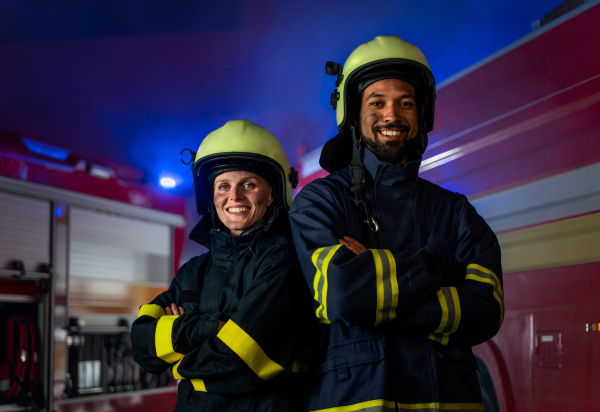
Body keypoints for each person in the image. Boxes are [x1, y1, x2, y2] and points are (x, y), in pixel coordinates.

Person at [289, 36, 504, 411]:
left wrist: (376, 289)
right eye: (377, 103)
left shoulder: (455, 210)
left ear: (421, 115)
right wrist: (435, 267)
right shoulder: (321, 201)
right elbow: (339, 294)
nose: (392, 115)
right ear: (353, 114)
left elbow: (487, 310)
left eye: (405, 103)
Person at [131, 120, 314, 411]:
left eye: (249, 185)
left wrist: (178, 364)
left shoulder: (284, 260)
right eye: (223, 186)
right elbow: (142, 343)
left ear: (273, 193)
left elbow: (238, 362)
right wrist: (207, 329)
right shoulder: (193, 271)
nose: (234, 197)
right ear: (210, 197)